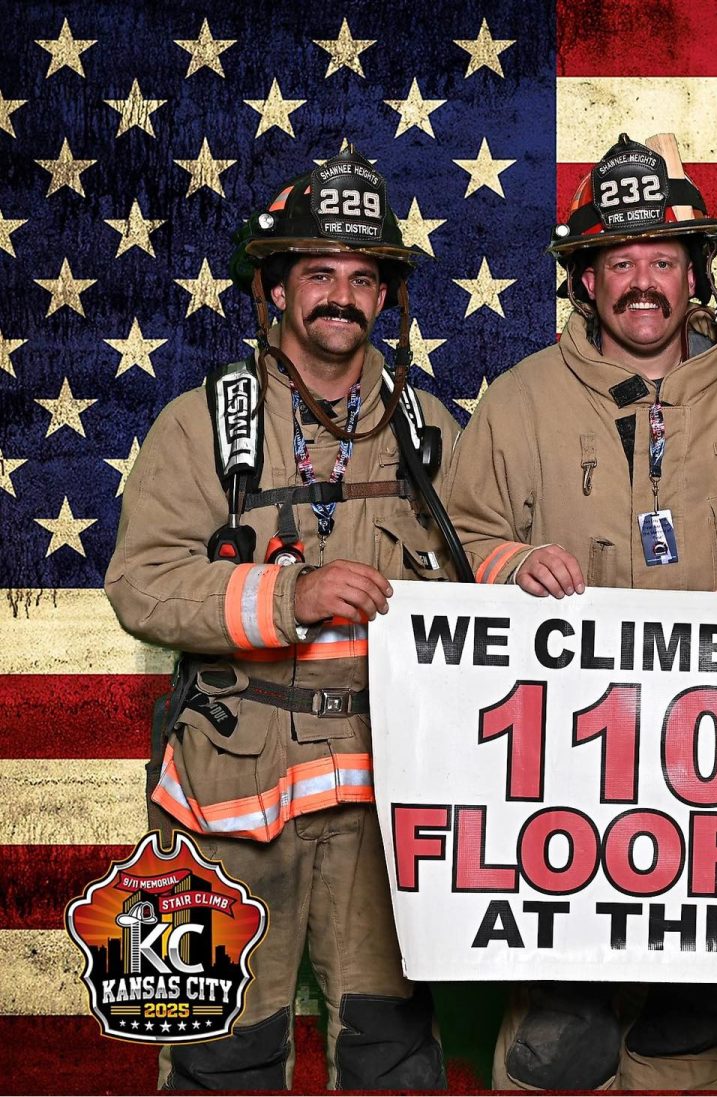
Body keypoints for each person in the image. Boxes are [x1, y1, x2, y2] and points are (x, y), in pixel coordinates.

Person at [445, 133, 717, 1091]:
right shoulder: (516, 407)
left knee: (684, 1037)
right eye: (619, 262)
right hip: (561, 784)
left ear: (697, 277)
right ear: (586, 279)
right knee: (559, 1039)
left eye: (662, 261)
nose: (642, 281)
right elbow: (447, 555)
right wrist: (510, 562)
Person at [104, 148, 457, 1090]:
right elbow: (139, 583)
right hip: (226, 802)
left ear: (386, 299)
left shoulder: (430, 432)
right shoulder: (202, 425)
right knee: (225, 1058)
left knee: (392, 1055)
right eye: (319, 275)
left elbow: (484, 567)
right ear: (273, 289)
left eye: (362, 277)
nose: (341, 296)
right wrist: (282, 598)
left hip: (385, 810)